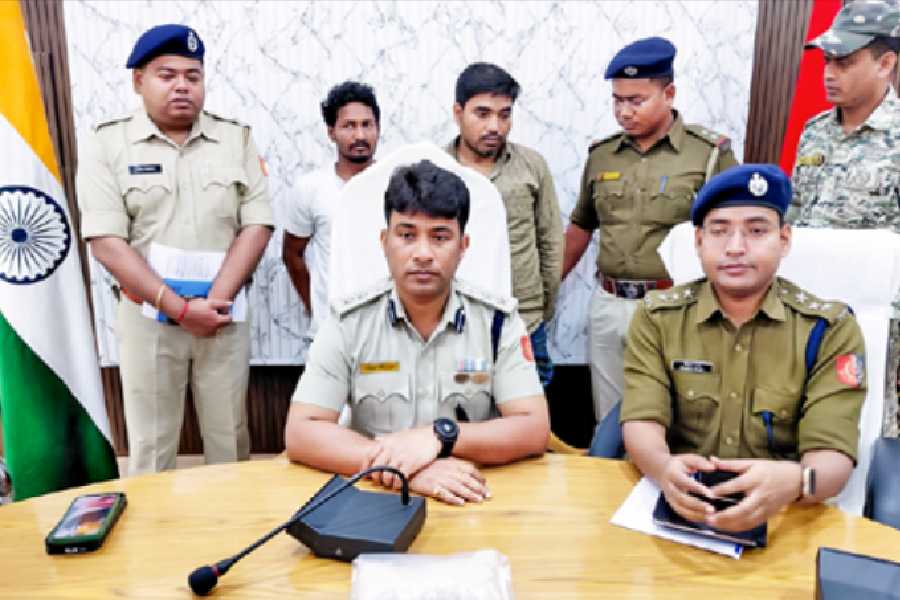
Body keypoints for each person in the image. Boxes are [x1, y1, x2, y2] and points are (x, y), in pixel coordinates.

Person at [284, 159, 549, 505]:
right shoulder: (349, 322)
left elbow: (533, 428)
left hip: (473, 497)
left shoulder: (497, 322)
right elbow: (302, 431)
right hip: (377, 500)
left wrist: (440, 437)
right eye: (407, 235)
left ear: (463, 246)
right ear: (384, 241)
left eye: (440, 237)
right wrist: (406, 469)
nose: (423, 253)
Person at [622, 164, 865, 533]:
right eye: (719, 231)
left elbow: (833, 458)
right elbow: (642, 419)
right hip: (678, 506)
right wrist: (662, 467)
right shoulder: (659, 317)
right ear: (699, 241)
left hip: (785, 512)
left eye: (756, 231)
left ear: (784, 239)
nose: (736, 248)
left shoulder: (829, 329)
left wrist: (798, 481)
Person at [76, 25, 273, 474]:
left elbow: (257, 223)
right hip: (149, 320)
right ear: (138, 81)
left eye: (193, 75)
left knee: (230, 439)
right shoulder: (107, 144)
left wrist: (212, 302)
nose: (182, 85)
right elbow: (107, 242)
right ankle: (154, 542)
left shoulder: (236, 139)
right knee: (151, 446)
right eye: (167, 75)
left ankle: (234, 534)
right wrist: (180, 309)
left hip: (222, 317)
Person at [562, 36, 738, 423]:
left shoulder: (708, 154)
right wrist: (544, 291)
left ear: (669, 93)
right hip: (609, 305)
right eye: (617, 100)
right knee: (609, 421)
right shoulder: (602, 154)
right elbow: (580, 227)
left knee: (676, 417)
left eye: (636, 100)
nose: (624, 111)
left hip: (676, 306)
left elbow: (732, 235)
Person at [789, 0, 900, 436]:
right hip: (811, 311)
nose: (829, 73)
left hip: (879, 324)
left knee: (871, 432)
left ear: (886, 62)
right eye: (828, 61)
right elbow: (794, 217)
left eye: (845, 62)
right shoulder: (815, 131)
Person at [446, 62, 562, 387]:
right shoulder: (437, 169)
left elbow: (550, 241)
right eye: (482, 114)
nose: (494, 126)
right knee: (468, 410)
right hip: (460, 325)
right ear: (458, 112)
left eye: (504, 114)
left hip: (523, 320)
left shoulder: (531, 166)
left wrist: (539, 308)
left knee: (529, 416)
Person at [282, 81, 381, 343]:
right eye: (349, 126)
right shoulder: (311, 188)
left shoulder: (398, 186)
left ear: (377, 128)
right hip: (330, 333)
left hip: (385, 331)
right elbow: (292, 254)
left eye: (366, 124)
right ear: (331, 132)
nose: (359, 135)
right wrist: (316, 309)